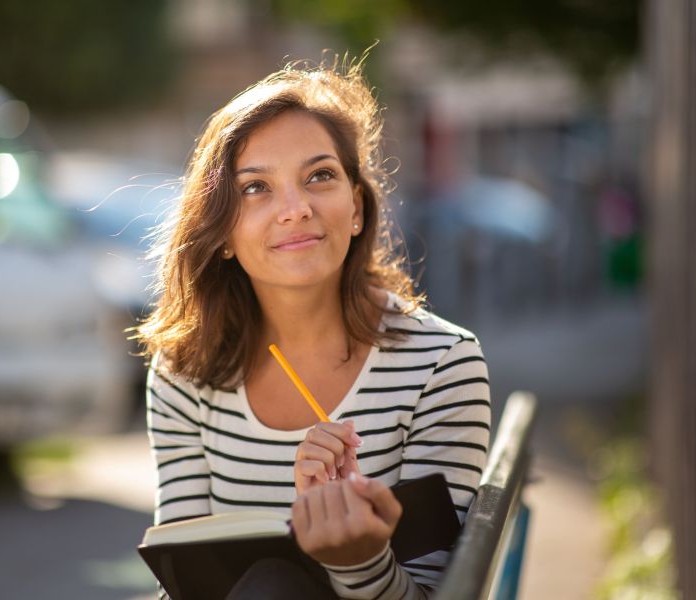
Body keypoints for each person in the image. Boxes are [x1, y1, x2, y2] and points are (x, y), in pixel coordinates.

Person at [137, 56, 491, 599]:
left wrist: (360, 563)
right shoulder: (186, 370)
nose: (295, 208)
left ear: (356, 207)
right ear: (223, 232)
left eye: (320, 176)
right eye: (255, 187)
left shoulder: (441, 365)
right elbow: (186, 581)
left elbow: (440, 592)